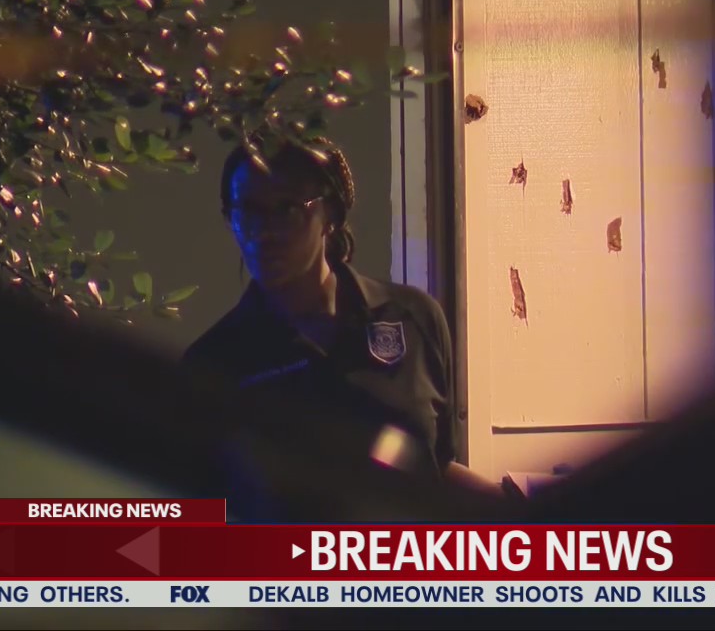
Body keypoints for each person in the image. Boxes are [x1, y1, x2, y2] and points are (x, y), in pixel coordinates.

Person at [183, 137, 501, 498]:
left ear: (331, 216)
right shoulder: (214, 362)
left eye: (286, 209)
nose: (264, 230)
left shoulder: (413, 318)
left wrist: (519, 512)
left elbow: (436, 466)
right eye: (248, 211)